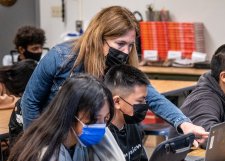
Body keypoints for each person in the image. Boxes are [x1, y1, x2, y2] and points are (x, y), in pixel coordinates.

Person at [21, 5, 208, 146]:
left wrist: (184, 124)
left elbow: (152, 96)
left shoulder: (120, 64)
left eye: (130, 45)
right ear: (99, 38)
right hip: (49, 133)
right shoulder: (61, 57)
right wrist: (37, 146)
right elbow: (30, 101)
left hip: (83, 136)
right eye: (120, 44)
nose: (126, 52)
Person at [1, 74, 127, 161]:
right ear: (70, 114)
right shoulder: (41, 157)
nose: (100, 127)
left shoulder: (80, 143)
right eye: (93, 119)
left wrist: (100, 120)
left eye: (105, 119)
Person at [104, 65, 149, 161]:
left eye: (145, 100)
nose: (144, 105)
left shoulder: (133, 125)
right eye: (139, 101)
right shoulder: (103, 137)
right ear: (117, 102)